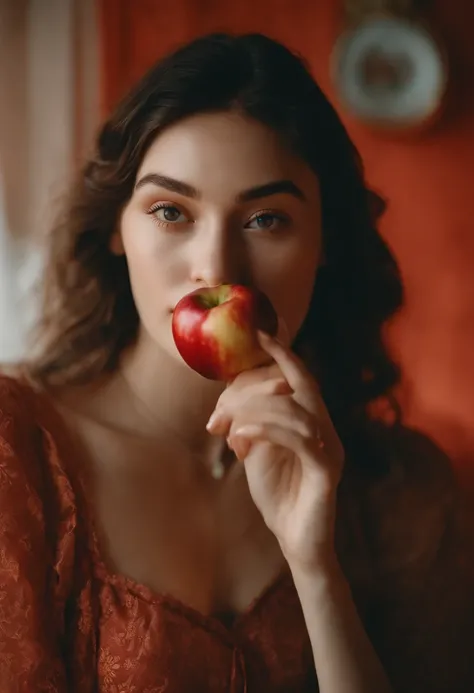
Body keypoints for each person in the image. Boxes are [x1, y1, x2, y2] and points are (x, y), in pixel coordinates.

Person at [0, 32, 472, 693]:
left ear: (325, 240)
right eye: (171, 211)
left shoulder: (404, 495)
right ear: (116, 227)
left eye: (266, 220)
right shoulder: (16, 456)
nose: (217, 269)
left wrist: (316, 569)